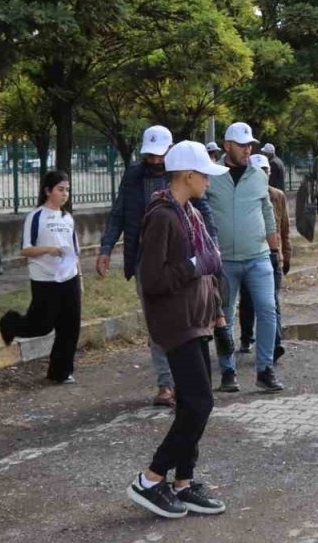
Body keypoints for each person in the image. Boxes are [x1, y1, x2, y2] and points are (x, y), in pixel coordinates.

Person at [126, 141, 228, 520]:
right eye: (204, 174)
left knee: (191, 403)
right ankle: (151, 478)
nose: (208, 182)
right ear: (187, 175)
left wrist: (217, 314)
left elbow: (208, 269)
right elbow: (152, 279)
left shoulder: (191, 213)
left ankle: (184, 482)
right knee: (201, 403)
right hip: (175, 323)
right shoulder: (163, 216)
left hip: (197, 320)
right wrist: (192, 263)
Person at [97, 126, 216, 409]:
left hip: (181, 258)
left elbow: (204, 213)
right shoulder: (133, 176)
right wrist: (105, 248)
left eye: (159, 155)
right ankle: (166, 384)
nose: (154, 161)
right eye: (149, 156)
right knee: (158, 322)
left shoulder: (184, 177)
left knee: (186, 319)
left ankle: (189, 380)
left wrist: (212, 251)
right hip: (145, 259)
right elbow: (119, 212)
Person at [210, 122, 284, 393]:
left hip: (258, 257)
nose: (247, 149)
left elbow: (267, 212)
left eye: (250, 145)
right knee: (225, 316)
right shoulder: (212, 175)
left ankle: (265, 369)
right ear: (227, 145)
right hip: (224, 261)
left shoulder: (258, 175)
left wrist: (275, 250)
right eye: (242, 145)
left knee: (267, 310)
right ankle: (228, 371)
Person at [0, 170, 83, 383]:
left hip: (69, 278)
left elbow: (74, 252)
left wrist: (79, 279)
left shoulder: (68, 218)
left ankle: (60, 372)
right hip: (45, 281)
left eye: (67, 190)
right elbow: (25, 250)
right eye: (60, 189)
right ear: (47, 191)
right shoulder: (36, 217)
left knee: (70, 327)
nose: (65, 194)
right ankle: (10, 323)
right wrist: (48, 249)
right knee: (42, 325)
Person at [237, 154, 290, 361]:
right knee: (248, 300)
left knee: (271, 302)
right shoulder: (242, 194)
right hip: (249, 255)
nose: (263, 175)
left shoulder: (277, 196)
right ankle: (246, 337)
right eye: (259, 170)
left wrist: (286, 253)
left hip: (272, 254)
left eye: (266, 171)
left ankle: (275, 344)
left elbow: (284, 227)